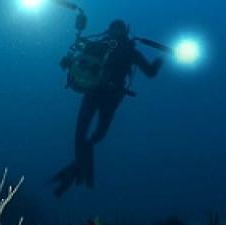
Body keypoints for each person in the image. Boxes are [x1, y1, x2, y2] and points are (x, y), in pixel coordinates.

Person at [52, 19, 163, 197]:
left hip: (97, 95)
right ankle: (78, 172)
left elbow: (72, 61)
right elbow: (150, 72)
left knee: (85, 136)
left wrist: (67, 62)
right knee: (94, 135)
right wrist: (160, 60)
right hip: (107, 97)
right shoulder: (127, 50)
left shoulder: (107, 47)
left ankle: (77, 171)